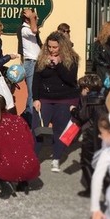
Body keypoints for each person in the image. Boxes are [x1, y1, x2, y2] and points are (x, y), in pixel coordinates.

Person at [0, 94, 40, 199]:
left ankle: (4, 184)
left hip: (11, 167)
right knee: (18, 157)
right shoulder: (19, 120)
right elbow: (31, 143)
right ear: (5, 105)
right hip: (31, 167)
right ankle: (22, 182)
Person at [32, 31, 80, 173]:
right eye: (49, 47)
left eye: (55, 47)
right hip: (45, 98)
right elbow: (36, 80)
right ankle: (32, 159)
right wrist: (35, 99)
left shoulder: (72, 58)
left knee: (60, 130)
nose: (51, 50)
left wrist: (59, 65)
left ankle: (56, 158)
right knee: (37, 129)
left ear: (62, 47)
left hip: (65, 99)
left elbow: (71, 80)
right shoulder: (42, 58)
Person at [70, 74, 107, 198]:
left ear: (86, 88)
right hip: (103, 133)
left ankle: (91, 189)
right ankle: (107, 187)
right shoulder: (103, 98)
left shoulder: (89, 101)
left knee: (86, 161)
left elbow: (82, 116)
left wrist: (73, 110)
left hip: (91, 134)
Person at [17, 9, 41, 116]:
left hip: (36, 62)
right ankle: (31, 118)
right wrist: (32, 17)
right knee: (32, 92)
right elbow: (34, 30)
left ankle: (27, 115)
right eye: (35, 17)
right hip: (31, 63)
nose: (37, 18)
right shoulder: (24, 30)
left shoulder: (28, 28)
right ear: (27, 19)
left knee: (35, 91)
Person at [91, 21, 110, 85]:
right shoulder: (99, 43)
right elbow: (96, 58)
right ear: (107, 30)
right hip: (103, 71)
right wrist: (108, 66)